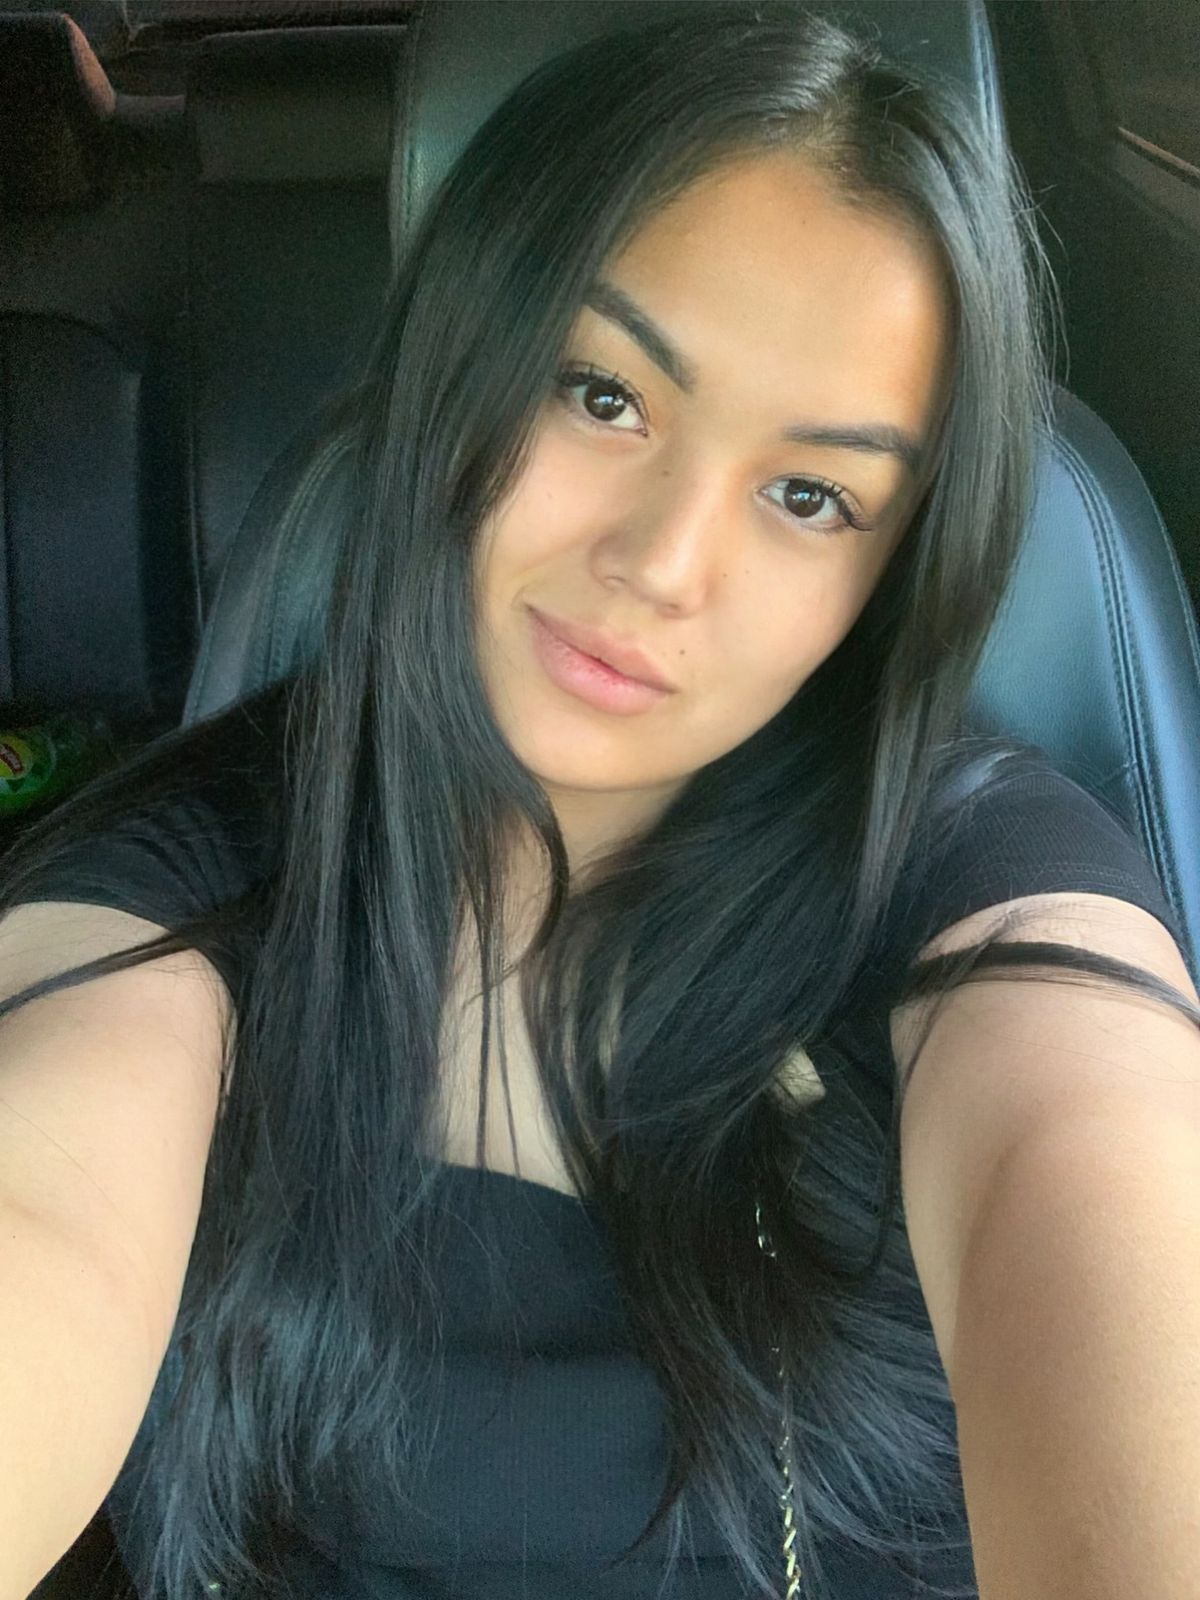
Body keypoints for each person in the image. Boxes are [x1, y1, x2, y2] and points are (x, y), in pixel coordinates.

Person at [0, 8, 1195, 1599]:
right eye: (601, 393)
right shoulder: (173, 894)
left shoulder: (984, 892)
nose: (663, 563)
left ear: (887, 577)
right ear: (456, 361)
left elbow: (1109, 1200)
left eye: (811, 495)